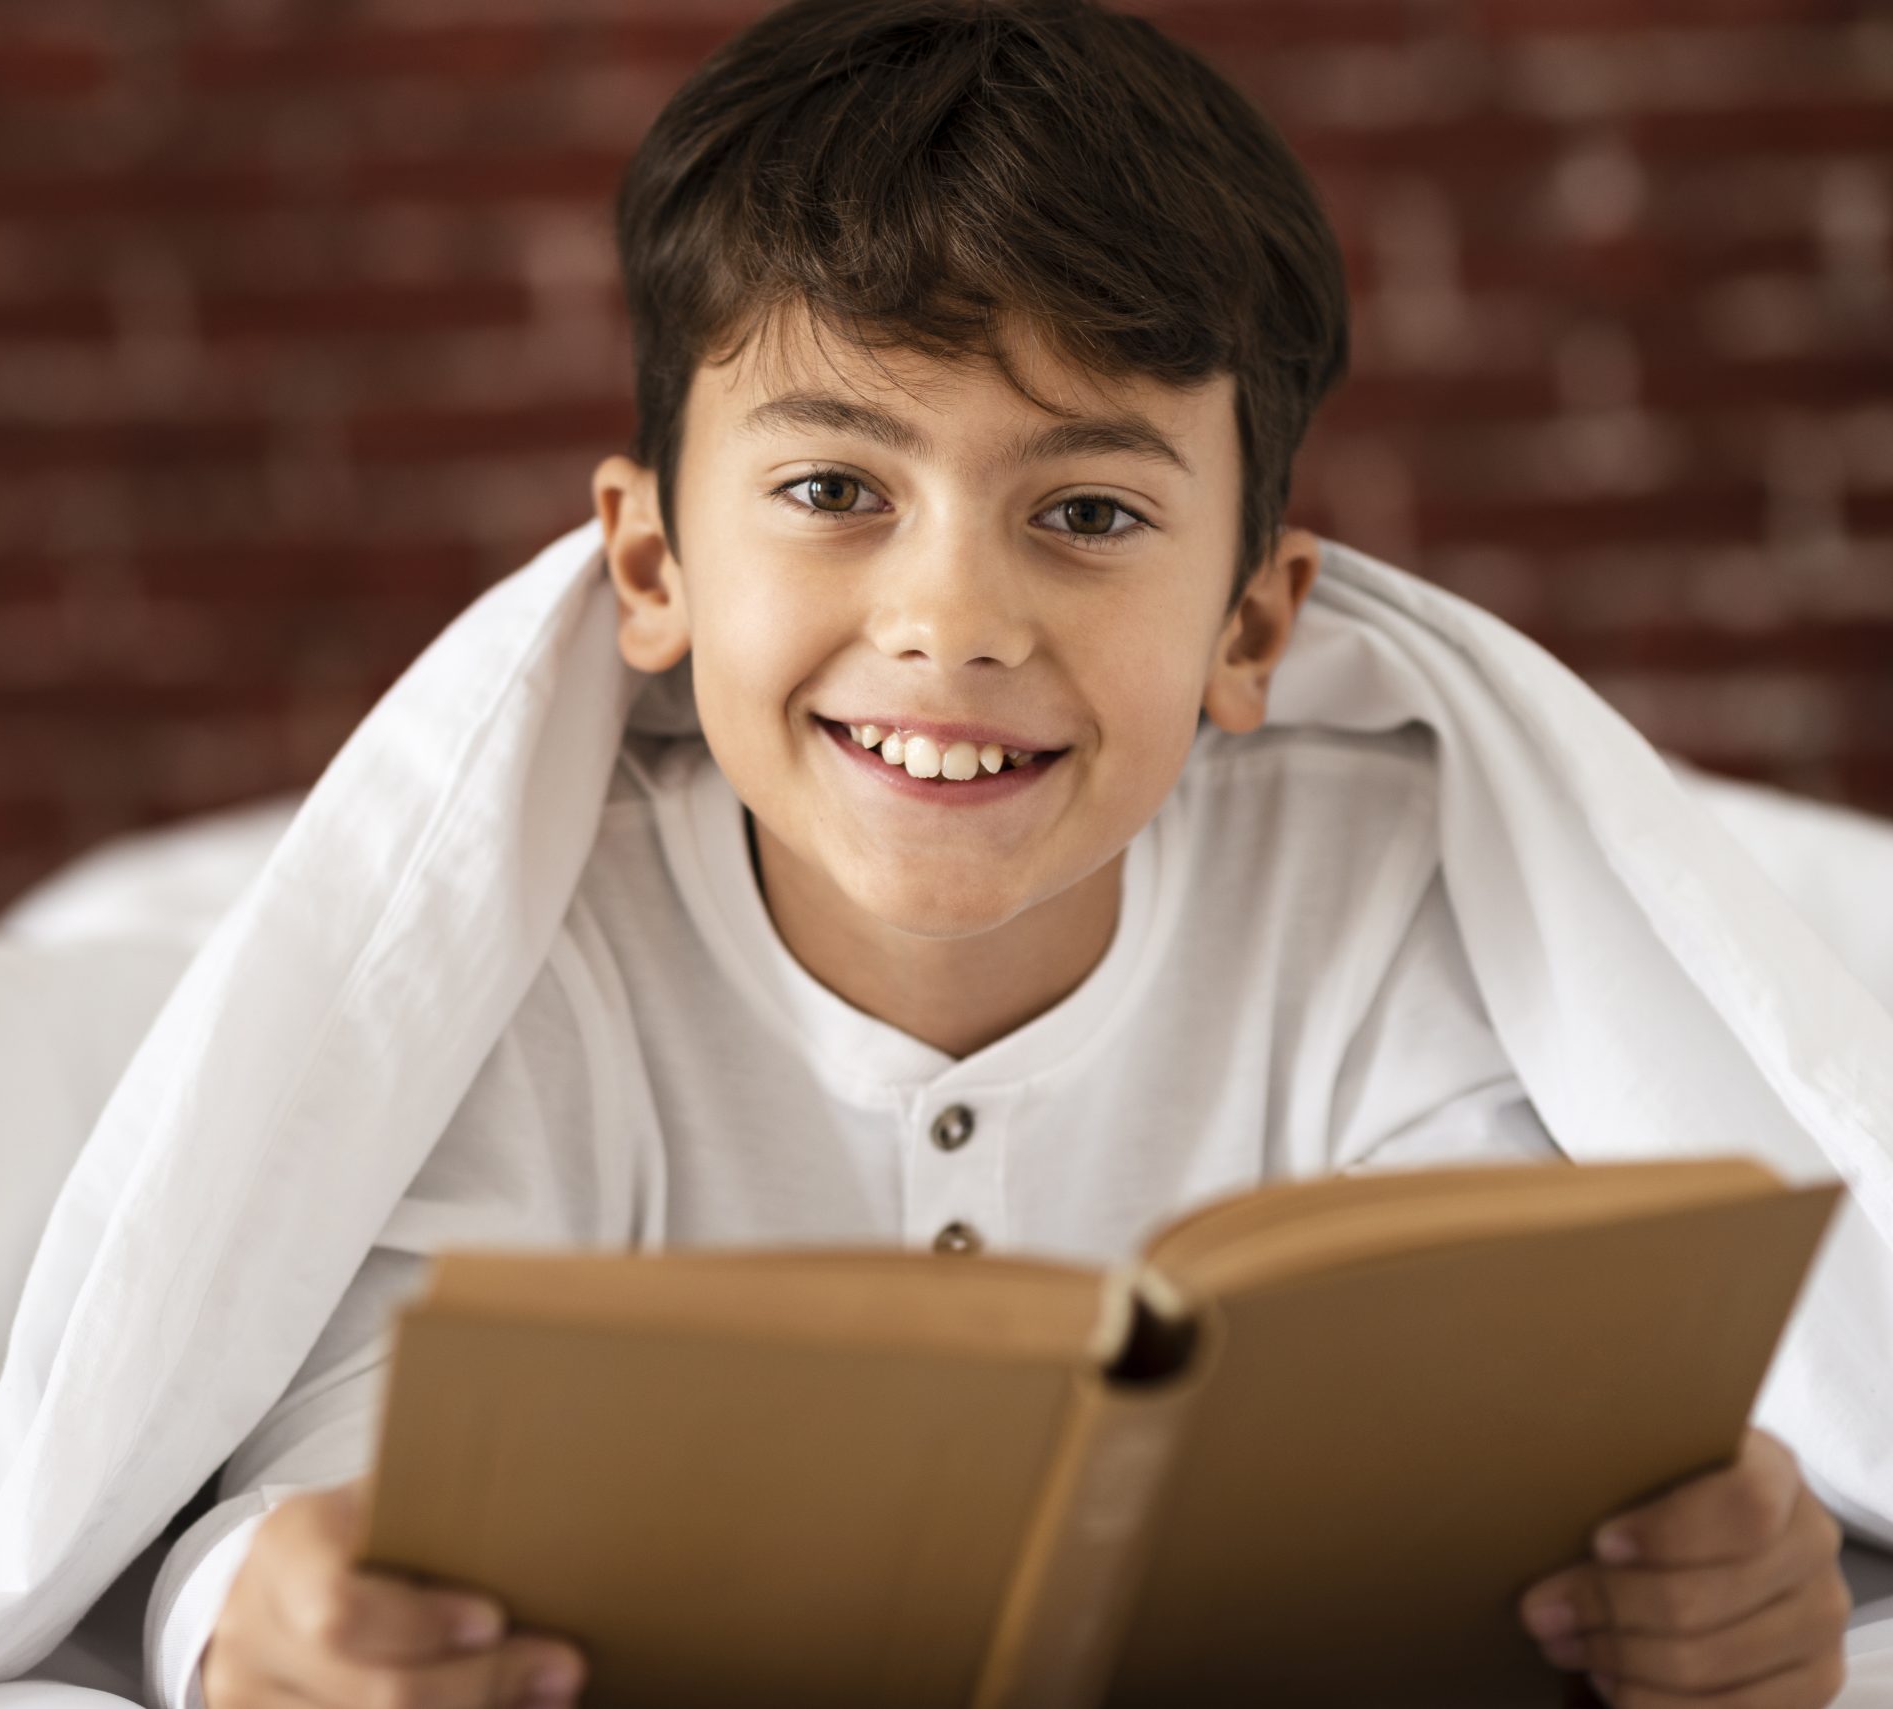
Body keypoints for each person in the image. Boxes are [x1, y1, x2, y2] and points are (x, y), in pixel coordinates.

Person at [147, 3, 1862, 1706]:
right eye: (835, 489)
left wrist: (1707, 1578)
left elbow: (1540, 1419)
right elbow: (333, 1448)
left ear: (1250, 625)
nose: (954, 622)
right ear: (652, 566)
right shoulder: (535, 953)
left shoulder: (1375, 905)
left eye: (1090, 514)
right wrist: (276, 1614)